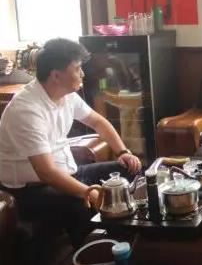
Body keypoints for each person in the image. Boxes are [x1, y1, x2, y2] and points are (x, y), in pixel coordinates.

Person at [0, 38, 142, 248]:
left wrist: (123, 152)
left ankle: (136, 242)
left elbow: (97, 121)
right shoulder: (26, 110)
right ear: (56, 75)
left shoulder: (66, 95)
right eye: (77, 69)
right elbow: (46, 172)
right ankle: (100, 261)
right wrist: (89, 193)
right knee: (80, 204)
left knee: (130, 170)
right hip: (32, 191)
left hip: (69, 173)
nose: (82, 73)